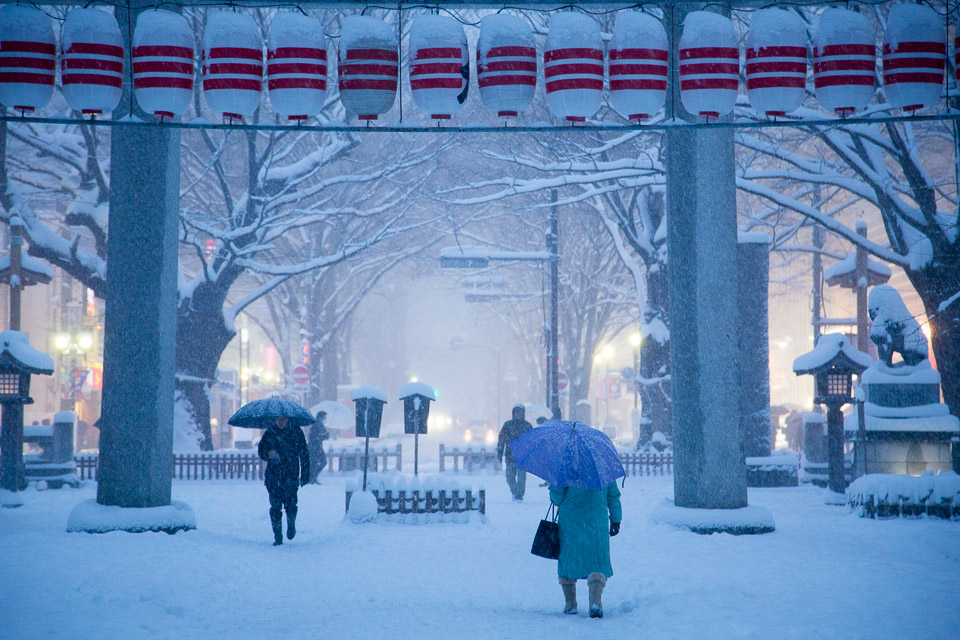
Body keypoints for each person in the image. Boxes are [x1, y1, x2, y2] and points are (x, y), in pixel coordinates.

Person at [548, 482, 622, 618]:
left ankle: (570, 603)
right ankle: (595, 602)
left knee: (569, 559)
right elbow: (613, 496)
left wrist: (553, 486)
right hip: (596, 521)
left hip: (571, 522)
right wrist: (616, 520)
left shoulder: (567, 466)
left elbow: (556, 498)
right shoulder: (602, 467)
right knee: (597, 561)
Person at [257, 415, 310, 546]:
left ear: (288, 419)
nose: (281, 422)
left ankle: (291, 523)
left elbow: (304, 453)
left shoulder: (296, 432)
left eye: (283, 419)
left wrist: (305, 474)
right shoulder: (270, 433)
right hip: (273, 476)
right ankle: (277, 536)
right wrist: (267, 454)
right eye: (278, 419)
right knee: (275, 506)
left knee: (291, 504)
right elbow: (261, 450)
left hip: (290, 474)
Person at [497, 404, 533, 501]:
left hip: (523, 457)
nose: (518, 414)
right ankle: (514, 492)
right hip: (510, 456)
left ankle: (519, 495)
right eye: (516, 412)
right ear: (513, 414)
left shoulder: (527, 426)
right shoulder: (507, 425)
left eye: (520, 412)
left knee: (521, 478)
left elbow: (533, 442)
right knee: (510, 477)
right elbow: (501, 440)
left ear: (523, 414)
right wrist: (500, 454)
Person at [307, 411, 330, 483]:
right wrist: (325, 436)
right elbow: (315, 438)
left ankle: (312, 477)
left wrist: (326, 435)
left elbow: (323, 436)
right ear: (320, 417)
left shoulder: (319, 425)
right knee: (319, 462)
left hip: (317, 447)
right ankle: (312, 478)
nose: (325, 419)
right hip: (314, 447)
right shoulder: (316, 425)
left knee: (316, 463)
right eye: (324, 417)